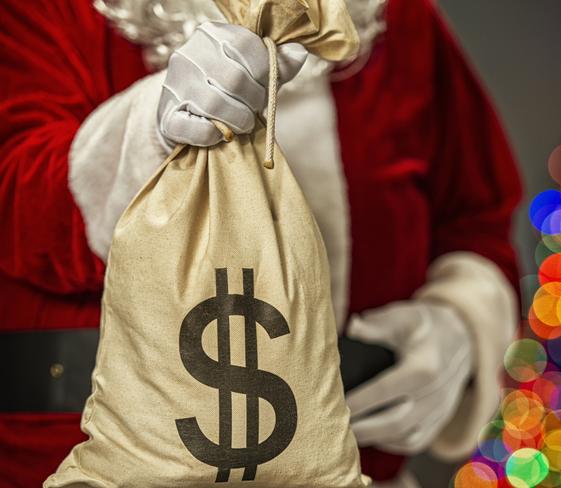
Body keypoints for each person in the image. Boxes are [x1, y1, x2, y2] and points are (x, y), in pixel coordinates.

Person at [0, 0, 522, 486]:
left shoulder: (401, 19)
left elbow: (476, 219)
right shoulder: (47, 12)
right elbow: (14, 197)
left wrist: (458, 328)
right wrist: (151, 131)